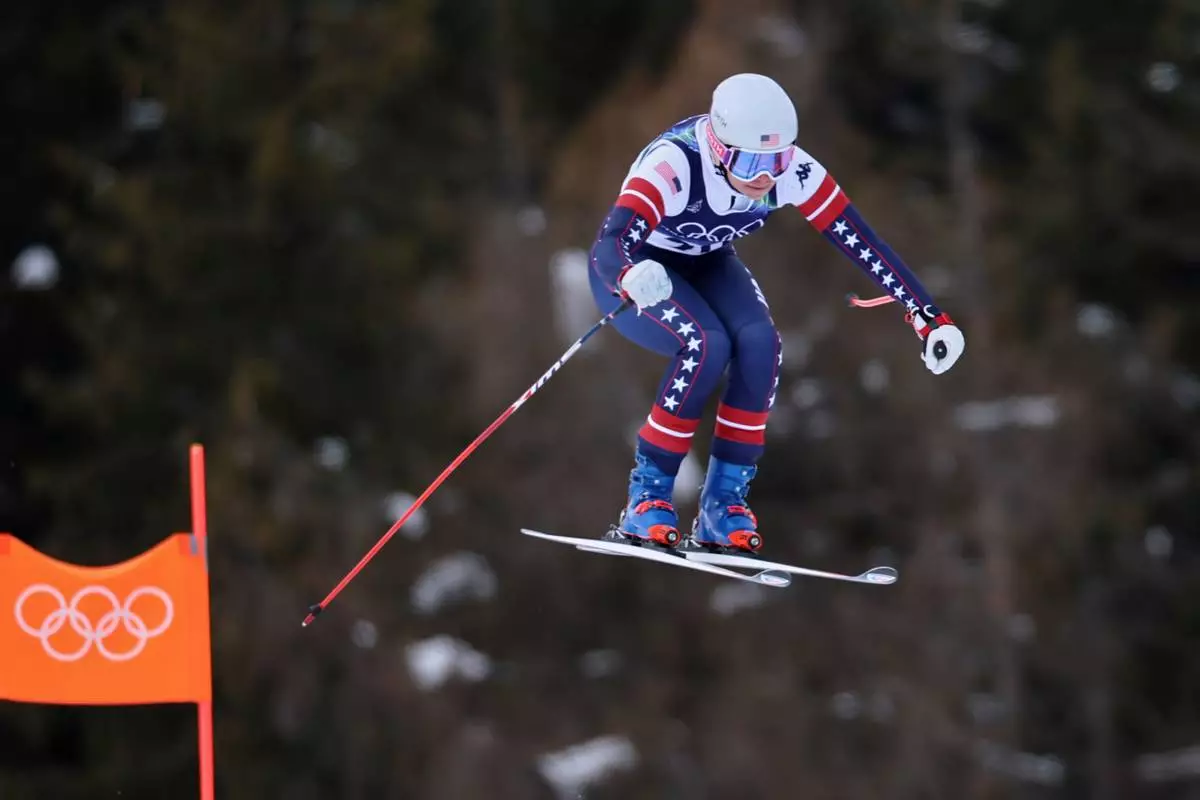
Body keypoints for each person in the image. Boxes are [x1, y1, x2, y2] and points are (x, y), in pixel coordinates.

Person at [588, 73, 965, 554]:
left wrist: (927, 314)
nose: (765, 177)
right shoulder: (675, 164)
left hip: (707, 262)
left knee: (761, 344)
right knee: (706, 344)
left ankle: (723, 506)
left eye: (777, 160)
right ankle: (647, 497)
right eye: (751, 162)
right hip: (639, 272)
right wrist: (628, 274)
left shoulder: (791, 172)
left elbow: (862, 241)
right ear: (718, 148)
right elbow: (609, 245)